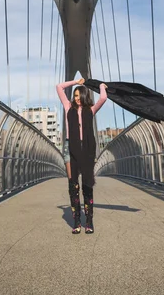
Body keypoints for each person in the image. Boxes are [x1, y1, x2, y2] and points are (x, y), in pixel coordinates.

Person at [56, 77, 107, 234]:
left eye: (79, 95)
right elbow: (59, 87)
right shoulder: (67, 107)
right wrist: (75, 83)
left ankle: (89, 222)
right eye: (75, 96)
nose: (77, 98)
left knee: (87, 186)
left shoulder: (91, 110)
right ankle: (77, 222)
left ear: (84, 96)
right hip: (69, 148)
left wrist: (101, 86)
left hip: (86, 149)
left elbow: (103, 98)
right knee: (73, 186)